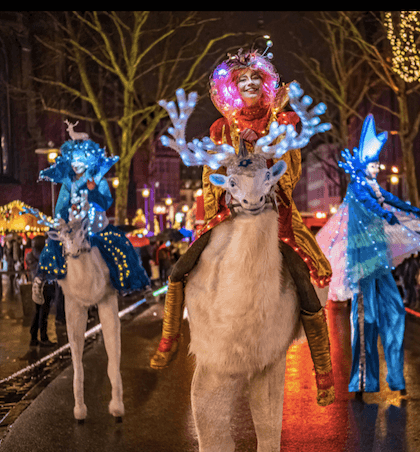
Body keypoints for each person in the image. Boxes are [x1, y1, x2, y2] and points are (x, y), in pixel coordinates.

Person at [150, 47, 335, 406]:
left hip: (272, 216)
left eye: (255, 79)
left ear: (265, 85)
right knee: (180, 269)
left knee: (302, 278)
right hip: (230, 212)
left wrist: (268, 154)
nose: (249, 84)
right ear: (234, 89)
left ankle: (324, 372)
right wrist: (223, 190)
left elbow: (291, 174)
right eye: (243, 80)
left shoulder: (283, 124)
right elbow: (209, 176)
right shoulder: (222, 128)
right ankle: (170, 337)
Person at [316, 114, 420, 395]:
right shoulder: (357, 188)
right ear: (363, 166)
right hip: (363, 264)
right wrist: (386, 215)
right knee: (365, 321)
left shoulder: (373, 185)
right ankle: (362, 379)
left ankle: (396, 377)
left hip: (379, 262)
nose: (377, 168)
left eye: (378, 164)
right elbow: (371, 204)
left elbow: (387, 199)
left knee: (395, 313)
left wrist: (410, 209)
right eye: (374, 164)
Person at [33, 132, 151, 302]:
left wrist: (93, 191)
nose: (76, 164)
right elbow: (60, 209)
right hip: (74, 228)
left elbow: (105, 203)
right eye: (73, 160)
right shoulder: (68, 185)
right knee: (53, 242)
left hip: (97, 229)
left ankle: (137, 283)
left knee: (122, 245)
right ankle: (41, 279)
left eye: (81, 160)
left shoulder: (99, 181)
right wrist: (64, 218)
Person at [26, 235, 55, 347]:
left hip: (37, 286)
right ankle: (43, 337)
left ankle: (33, 337)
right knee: (43, 313)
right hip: (45, 287)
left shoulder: (31, 256)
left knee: (38, 312)